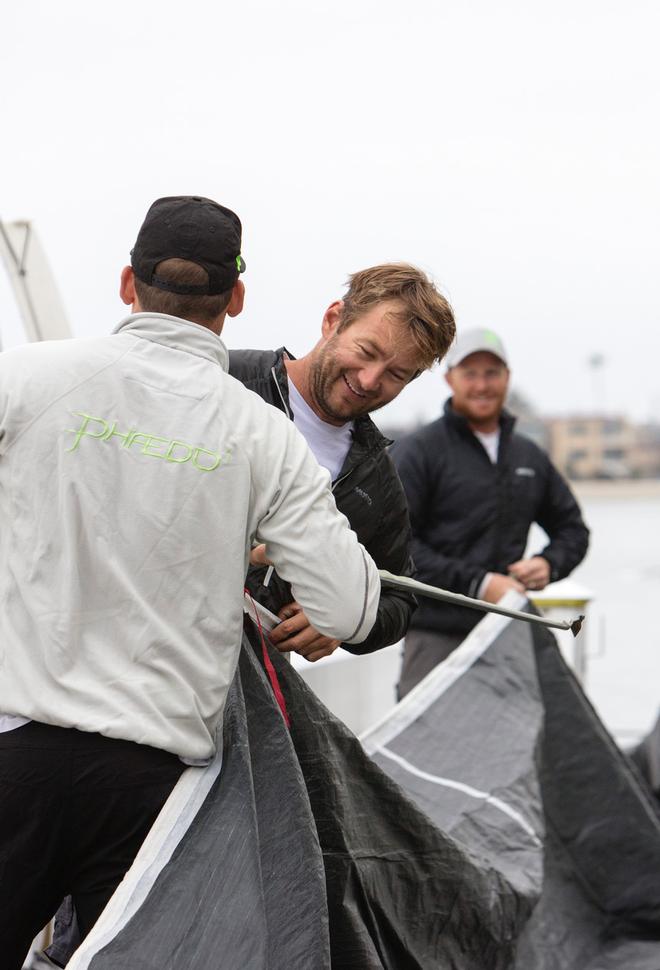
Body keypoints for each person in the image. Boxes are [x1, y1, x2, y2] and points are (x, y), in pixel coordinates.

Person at [0, 195, 382, 970]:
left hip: (16, 756)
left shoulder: (25, 376)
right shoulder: (260, 431)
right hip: (154, 790)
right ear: (234, 300)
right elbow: (352, 608)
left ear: (125, 283)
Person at [229, 263, 457, 662]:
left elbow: (401, 598)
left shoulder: (377, 478)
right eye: (367, 352)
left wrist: (343, 623)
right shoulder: (225, 380)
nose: (369, 380)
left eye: (396, 374)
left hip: (253, 683)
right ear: (333, 319)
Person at [391, 326, 590, 697]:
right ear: (450, 379)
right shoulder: (418, 451)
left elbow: (573, 530)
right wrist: (480, 583)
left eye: (491, 373)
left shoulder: (528, 456)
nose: (482, 385)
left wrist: (549, 563)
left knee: (515, 745)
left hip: (506, 631)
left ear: (507, 378)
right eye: (470, 374)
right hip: (435, 634)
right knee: (430, 748)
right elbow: (395, 548)